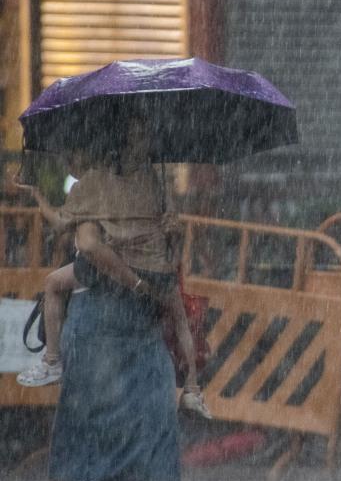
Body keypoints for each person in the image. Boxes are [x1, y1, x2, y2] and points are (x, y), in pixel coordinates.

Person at [34, 118, 214, 481]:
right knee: (82, 416)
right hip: (98, 317)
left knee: (157, 411)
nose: (145, 141)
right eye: (135, 134)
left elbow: (162, 249)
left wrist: (172, 231)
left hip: (145, 319)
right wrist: (132, 278)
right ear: (117, 140)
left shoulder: (155, 183)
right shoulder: (93, 183)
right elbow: (87, 241)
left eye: (147, 134)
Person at [7, 152, 212, 421]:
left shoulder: (97, 186)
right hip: (156, 271)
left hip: (117, 284)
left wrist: (37, 196)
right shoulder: (150, 185)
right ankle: (193, 390)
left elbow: (81, 239)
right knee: (181, 320)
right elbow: (170, 236)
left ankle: (52, 360)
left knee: (53, 284)